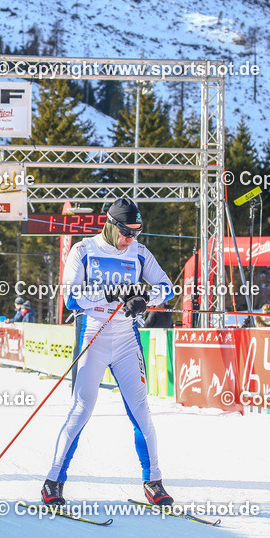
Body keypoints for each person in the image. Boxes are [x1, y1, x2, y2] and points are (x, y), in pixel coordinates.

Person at [42, 198, 175, 507]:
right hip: (93, 334)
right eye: (127, 232)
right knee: (82, 408)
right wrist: (108, 294)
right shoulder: (83, 251)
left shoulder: (139, 252)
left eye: (137, 232)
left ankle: (153, 481)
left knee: (141, 411)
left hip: (127, 338)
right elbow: (71, 299)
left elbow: (167, 287)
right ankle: (54, 481)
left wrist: (144, 297)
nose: (131, 238)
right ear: (111, 225)